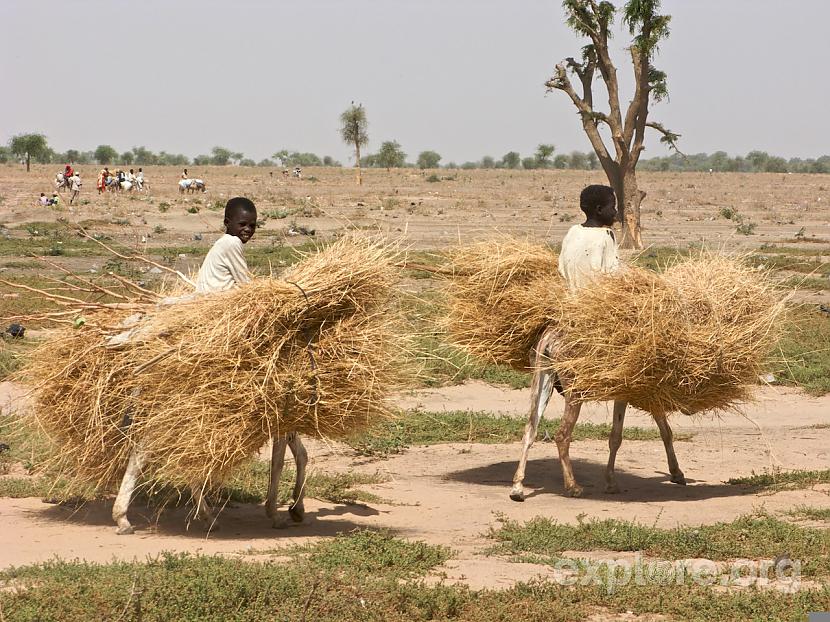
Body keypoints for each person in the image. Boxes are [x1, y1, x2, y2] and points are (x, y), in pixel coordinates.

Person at [557, 184, 620, 291]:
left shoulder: (573, 231)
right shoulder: (606, 235)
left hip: (571, 299)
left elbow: (561, 268)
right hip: (595, 300)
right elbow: (612, 274)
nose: (615, 212)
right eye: (613, 207)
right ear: (599, 209)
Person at [195, 197, 257, 293]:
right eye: (242, 224)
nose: (248, 229)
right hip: (215, 299)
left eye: (252, 226)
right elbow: (245, 283)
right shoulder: (232, 243)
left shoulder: (223, 242)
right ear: (227, 223)